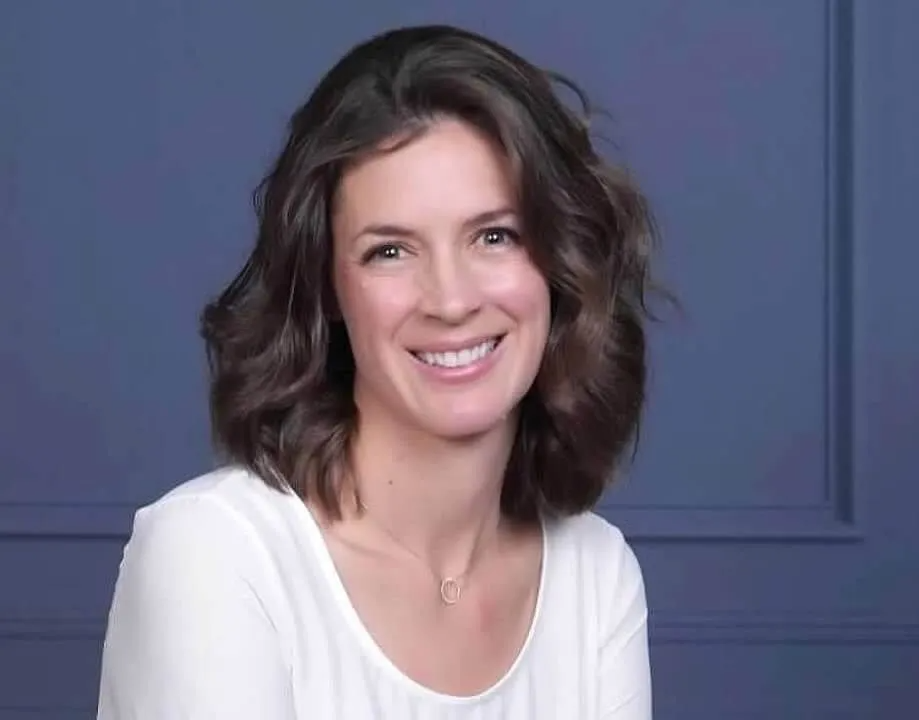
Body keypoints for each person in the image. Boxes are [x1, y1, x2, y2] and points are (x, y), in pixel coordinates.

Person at [97, 23, 660, 720]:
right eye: (390, 251)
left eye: (494, 236)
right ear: (328, 288)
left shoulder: (593, 576)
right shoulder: (214, 558)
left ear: (559, 261)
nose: (451, 300)